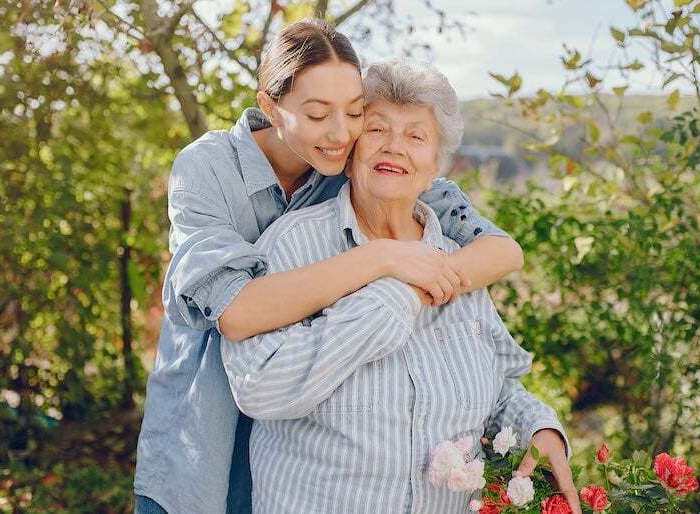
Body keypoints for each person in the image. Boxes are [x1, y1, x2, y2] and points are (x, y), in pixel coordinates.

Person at [133, 20, 526, 514]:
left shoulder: (354, 162)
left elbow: (501, 250)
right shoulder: (208, 168)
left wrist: (422, 285)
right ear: (271, 107)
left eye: (356, 112)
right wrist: (383, 259)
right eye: (318, 114)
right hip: (203, 435)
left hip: (291, 445)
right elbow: (236, 311)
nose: (341, 133)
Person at [220, 59, 581, 514]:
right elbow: (259, 389)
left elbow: (497, 388)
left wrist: (537, 428)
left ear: (435, 169)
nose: (395, 147)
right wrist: (394, 295)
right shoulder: (293, 245)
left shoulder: (457, 260)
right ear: (349, 153)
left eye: (416, 136)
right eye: (377, 131)